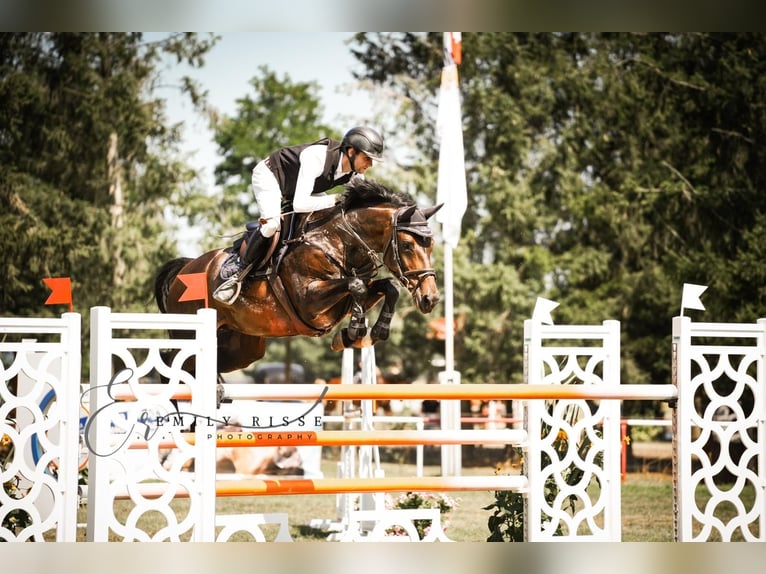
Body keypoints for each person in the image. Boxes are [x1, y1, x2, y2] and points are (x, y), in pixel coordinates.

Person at [213, 126, 384, 305]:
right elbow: (300, 204)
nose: (370, 165)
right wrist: (336, 198)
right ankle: (238, 271)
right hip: (271, 176)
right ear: (351, 151)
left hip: (300, 188)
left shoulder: (355, 174)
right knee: (271, 224)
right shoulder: (316, 157)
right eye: (367, 158)